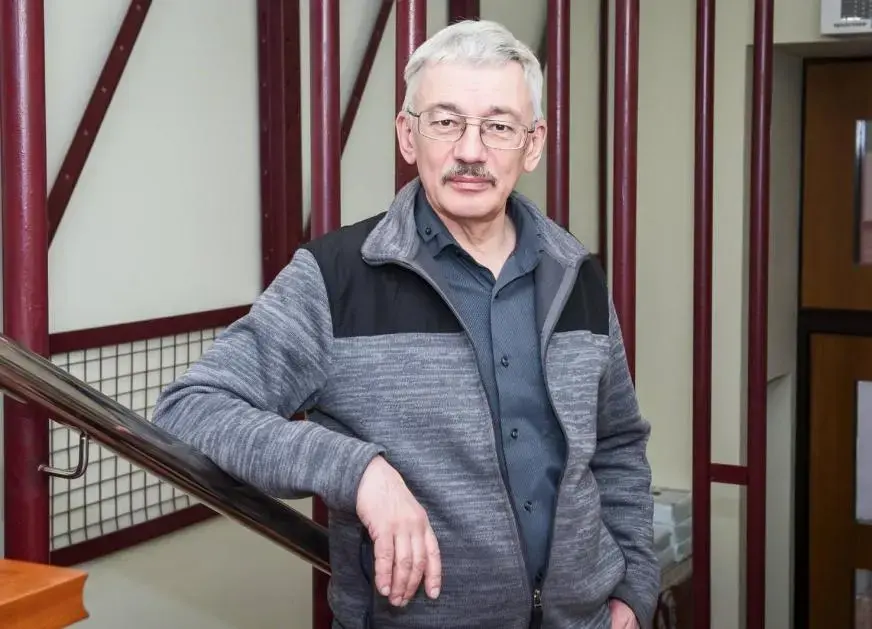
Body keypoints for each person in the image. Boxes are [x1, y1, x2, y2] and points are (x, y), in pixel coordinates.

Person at [152, 19, 658, 629]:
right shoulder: (335, 278)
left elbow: (617, 444)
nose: (470, 151)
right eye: (445, 122)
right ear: (407, 136)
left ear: (533, 144)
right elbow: (191, 411)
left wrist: (634, 587)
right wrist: (359, 471)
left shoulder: (576, 275)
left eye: (499, 126)